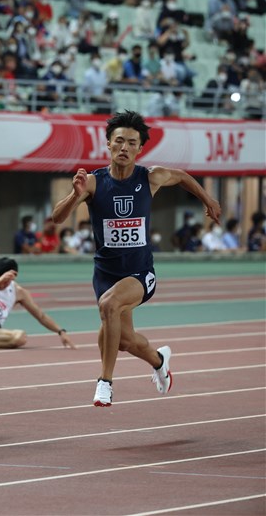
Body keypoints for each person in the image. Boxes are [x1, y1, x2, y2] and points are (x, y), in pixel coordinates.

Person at [51, 110, 221, 407]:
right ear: (108, 144)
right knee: (124, 340)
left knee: (109, 305)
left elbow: (181, 177)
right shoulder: (92, 182)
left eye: (131, 142)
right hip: (106, 274)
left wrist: (208, 199)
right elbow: (56, 218)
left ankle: (105, 382)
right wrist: (73, 195)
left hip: (141, 274)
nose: (124, 148)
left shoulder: (150, 177)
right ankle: (159, 360)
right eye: (119, 141)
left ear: (140, 148)